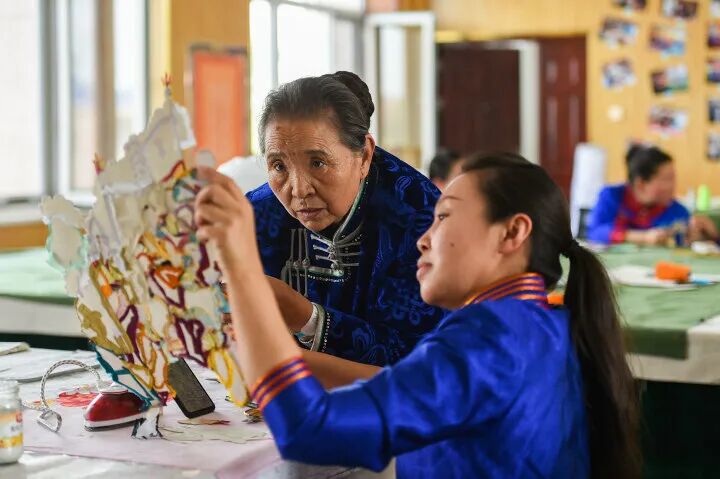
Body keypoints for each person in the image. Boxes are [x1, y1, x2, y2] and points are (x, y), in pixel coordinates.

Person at [195, 152, 641, 478]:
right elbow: (410, 385)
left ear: (512, 233)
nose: (423, 240)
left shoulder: (487, 337)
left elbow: (308, 430)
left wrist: (241, 265)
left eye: (443, 217)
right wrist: (280, 353)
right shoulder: (544, 324)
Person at [244, 72, 445, 373]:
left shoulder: (421, 220)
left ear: (364, 157)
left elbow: (418, 361)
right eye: (279, 166)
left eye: (317, 162)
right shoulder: (252, 214)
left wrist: (309, 319)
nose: (299, 190)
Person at [587, 145, 718, 245]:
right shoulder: (612, 196)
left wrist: (706, 235)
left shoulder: (676, 210)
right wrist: (642, 237)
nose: (672, 186)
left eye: (673, 179)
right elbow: (596, 233)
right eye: (667, 179)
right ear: (641, 184)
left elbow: (686, 241)